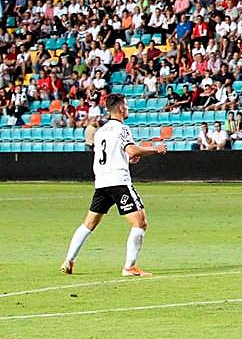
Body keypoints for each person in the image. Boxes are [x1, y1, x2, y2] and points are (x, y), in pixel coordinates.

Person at [60, 93, 167, 276]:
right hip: (118, 182)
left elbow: (112, 154)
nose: (128, 108)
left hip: (102, 182)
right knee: (140, 222)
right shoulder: (122, 128)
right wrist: (155, 149)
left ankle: (69, 260)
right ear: (121, 108)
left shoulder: (101, 131)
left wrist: (127, 158)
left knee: (89, 224)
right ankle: (129, 267)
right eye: (126, 105)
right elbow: (132, 149)